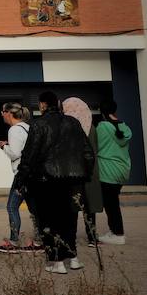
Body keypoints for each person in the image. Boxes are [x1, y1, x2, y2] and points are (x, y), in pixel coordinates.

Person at [15, 92, 94, 274]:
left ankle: (56, 261)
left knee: (49, 220)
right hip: (73, 180)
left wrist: (21, 179)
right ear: (58, 103)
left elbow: (30, 156)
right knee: (69, 220)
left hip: (46, 181)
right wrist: (85, 175)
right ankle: (73, 258)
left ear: (42, 105)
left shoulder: (38, 125)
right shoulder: (73, 123)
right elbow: (88, 153)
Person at [0, 102, 36, 253]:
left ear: (8, 113)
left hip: (22, 175)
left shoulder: (14, 130)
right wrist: (8, 144)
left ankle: (14, 242)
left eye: (2, 112)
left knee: (11, 207)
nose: (2, 115)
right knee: (34, 208)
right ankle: (39, 241)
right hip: (32, 174)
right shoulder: (26, 127)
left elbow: (16, 153)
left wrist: (4, 147)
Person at [64, 97, 103, 258]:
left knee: (72, 207)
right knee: (89, 206)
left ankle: (69, 239)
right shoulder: (92, 127)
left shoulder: (68, 128)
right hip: (90, 171)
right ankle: (92, 237)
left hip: (73, 172)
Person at [93, 100, 133, 245]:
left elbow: (95, 145)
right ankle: (114, 231)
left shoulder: (102, 127)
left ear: (101, 112)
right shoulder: (124, 127)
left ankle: (118, 234)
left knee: (111, 205)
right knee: (112, 202)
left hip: (108, 171)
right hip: (122, 170)